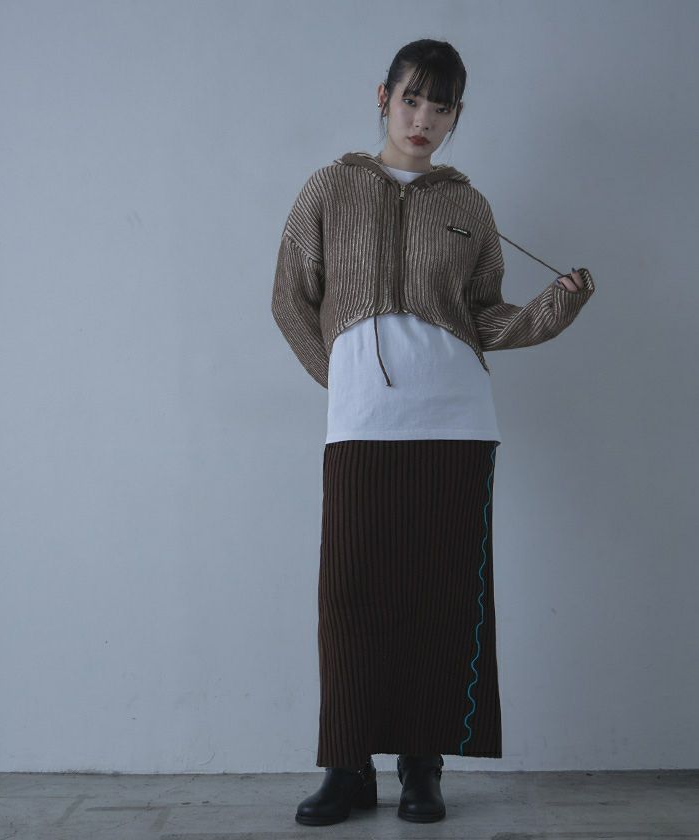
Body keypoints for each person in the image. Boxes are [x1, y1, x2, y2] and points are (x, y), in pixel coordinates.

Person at [271, 38, 596, 827]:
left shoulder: (468, 206)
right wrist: (344, 382)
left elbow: (484, 317)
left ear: (456, 117)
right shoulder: (329, 189)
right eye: (412, 99)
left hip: (456, 422)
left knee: (439, 597)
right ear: (383, 97)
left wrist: (552, 309)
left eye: (440, 107)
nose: (423, 119)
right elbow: (290, 299)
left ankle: (423, 766)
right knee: (350, 600)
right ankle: (348, 767)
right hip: (361, 428)